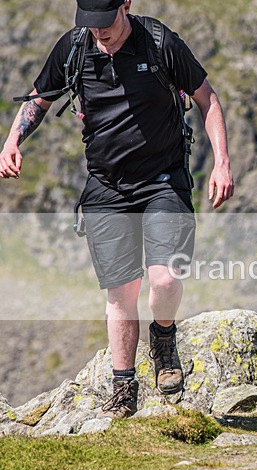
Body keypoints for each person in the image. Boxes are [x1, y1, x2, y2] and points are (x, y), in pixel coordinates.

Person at [0, 0, 234, 418]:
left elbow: (207, 98)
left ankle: (164, 336)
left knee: (164, 279)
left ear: (126, 4)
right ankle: (123, 391)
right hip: (107, 186)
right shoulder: (75, 47)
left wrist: (222, 162)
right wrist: (13, 140)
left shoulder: (159, 42)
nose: (99, 32)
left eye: (105, 23)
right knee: (121, 292)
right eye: (90, 24)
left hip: (163, 180)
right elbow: (39, 99)